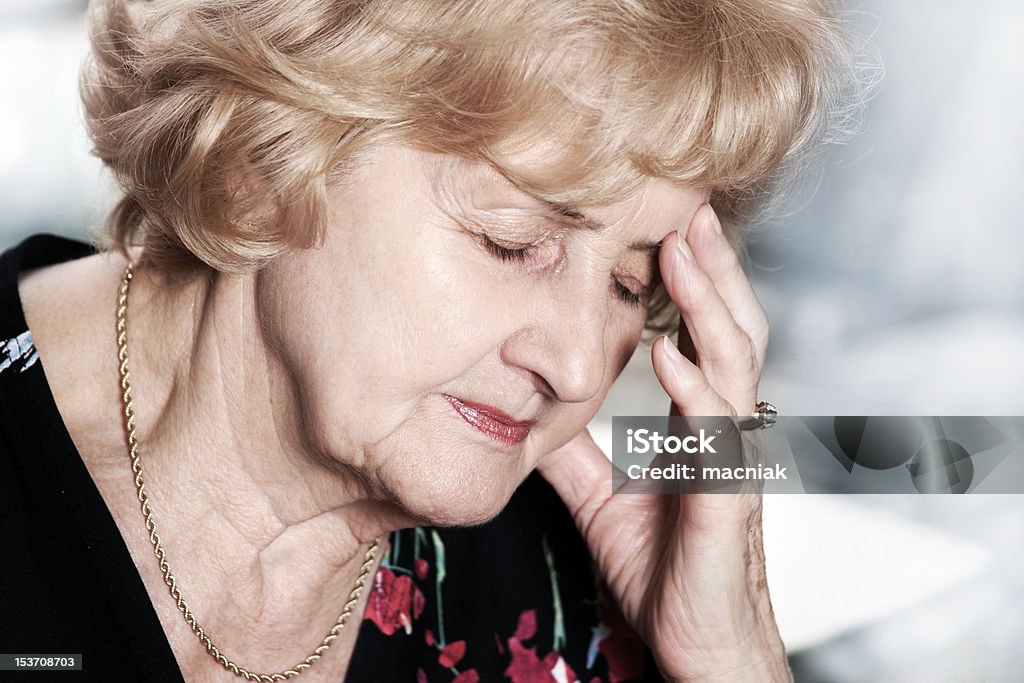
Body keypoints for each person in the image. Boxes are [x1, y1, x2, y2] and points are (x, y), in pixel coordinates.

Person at [0, 0, 856, 681]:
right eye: (512, 242)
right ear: (258, 158)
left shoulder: (573, 587)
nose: (580, 365)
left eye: (631, 285)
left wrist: (731, 654)